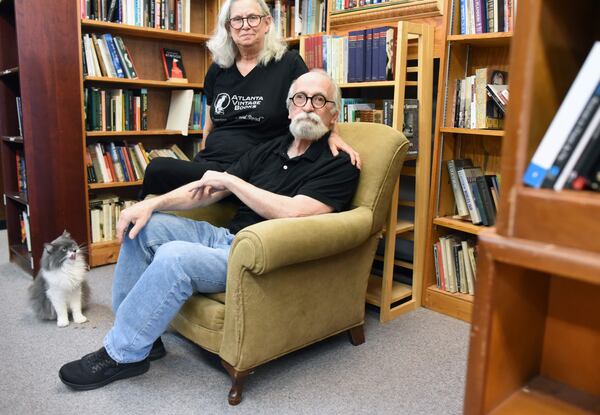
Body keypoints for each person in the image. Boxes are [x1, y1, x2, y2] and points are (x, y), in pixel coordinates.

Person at [58, 70, 360, 391]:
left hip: (256, 255)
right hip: (224, 239)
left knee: (175, 257)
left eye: (319, 100)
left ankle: (123, 354)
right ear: (289, 108)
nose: (308, 107)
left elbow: (295, 211)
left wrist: (231, 180)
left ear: (333, 112)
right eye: (300, 98)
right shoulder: (270, 148)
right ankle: (141, 336)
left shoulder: (339, 163)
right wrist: (152, 205)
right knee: (144, 226)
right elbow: (208, 189)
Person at [140, 0, 360, 199]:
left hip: (256, 167)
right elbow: (209, 126)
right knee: (162, 181)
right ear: (228, 28)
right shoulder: (218, 69)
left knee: (157, 169)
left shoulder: (288, 63)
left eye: (252, 18)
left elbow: (315, 100)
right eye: (236, 20)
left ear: (267, 23)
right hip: (211, 163)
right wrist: (205, 158)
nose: (245, 25)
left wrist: (332, 134)